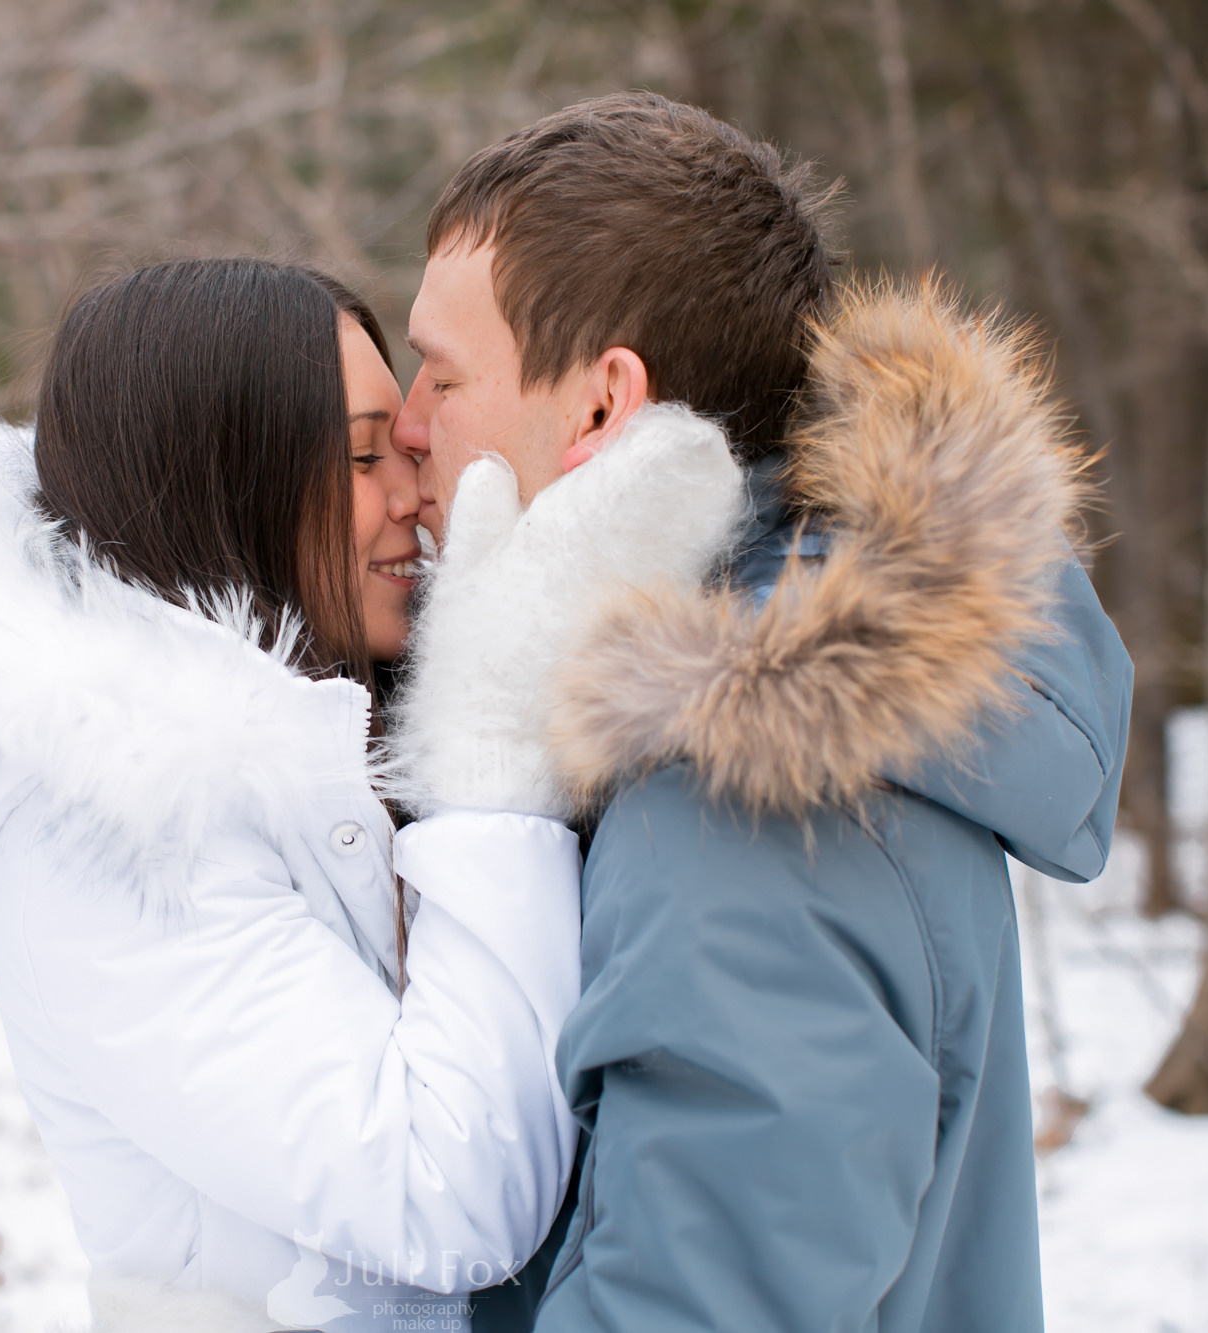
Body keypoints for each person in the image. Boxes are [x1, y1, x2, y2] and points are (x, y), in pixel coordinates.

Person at [0, 258, 744, 1332]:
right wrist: (491, 755)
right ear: (225, 488)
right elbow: (450, 1193)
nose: (417, 493)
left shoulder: (341, 734)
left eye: (407, 447)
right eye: (364, 456)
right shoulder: (114, 839)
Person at [388, 94, 1132, 1332]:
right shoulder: (755, 724)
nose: (410, 423)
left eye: (444, 374)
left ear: (598, 407)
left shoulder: (738, 802)